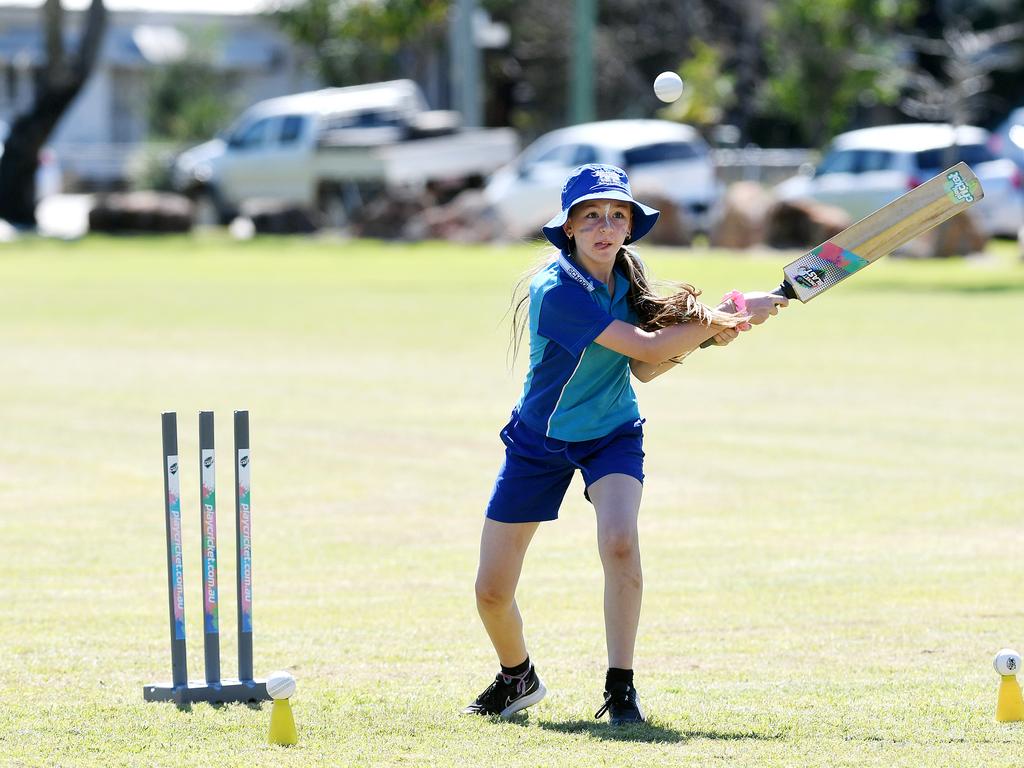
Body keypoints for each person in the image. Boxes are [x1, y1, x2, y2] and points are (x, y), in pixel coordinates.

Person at [462, 163, 787, 725]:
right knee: (491, 592)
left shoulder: (626, 282)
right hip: (539, 442)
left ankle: (621, 687)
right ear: (568, 228)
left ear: (630, 226)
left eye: (617, 215)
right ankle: (517, 676)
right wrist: (728, 315)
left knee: (619, 543)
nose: (605, 226)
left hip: (612, 433)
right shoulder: (557, 288)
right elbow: (646, 345)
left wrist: (721, 330)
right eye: (590, 216)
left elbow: (645, 368)